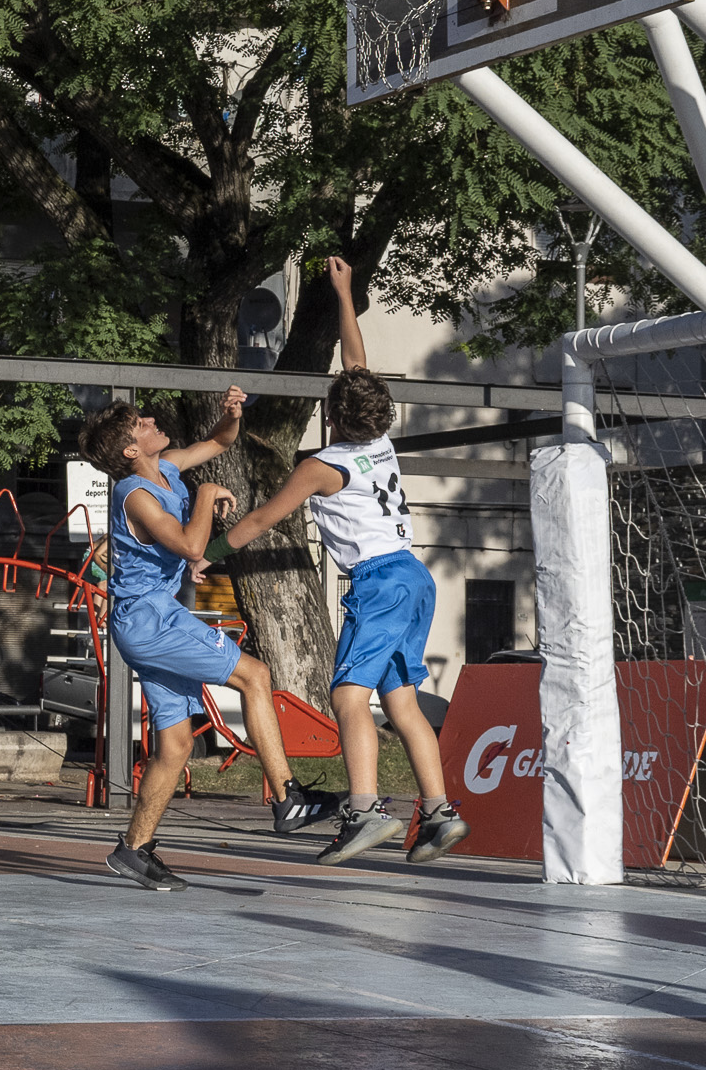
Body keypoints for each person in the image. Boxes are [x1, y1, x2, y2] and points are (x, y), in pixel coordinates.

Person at [222, 257, 467, 864]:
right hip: (413, 575)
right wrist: (345, 294)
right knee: (403, 702)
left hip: (379, 582)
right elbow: (357, 366)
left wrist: (204, 553)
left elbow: (258, 521)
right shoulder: (379, 442)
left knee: (348, 697)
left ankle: (364, 810)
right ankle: (438, 814)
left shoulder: (320, 466)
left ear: (331, 415)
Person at [76, 388, 339, 889]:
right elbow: (192, 544)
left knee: (174, 745)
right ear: (132, 450)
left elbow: (219, 442)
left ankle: (134, 849)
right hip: (151, 622)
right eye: (142, 423)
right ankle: (287, 797)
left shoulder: (167, 465)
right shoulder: (134, 495)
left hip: (150, 620)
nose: (152, 420)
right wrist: (205, 496)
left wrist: (231, 414)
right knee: (255, 674)